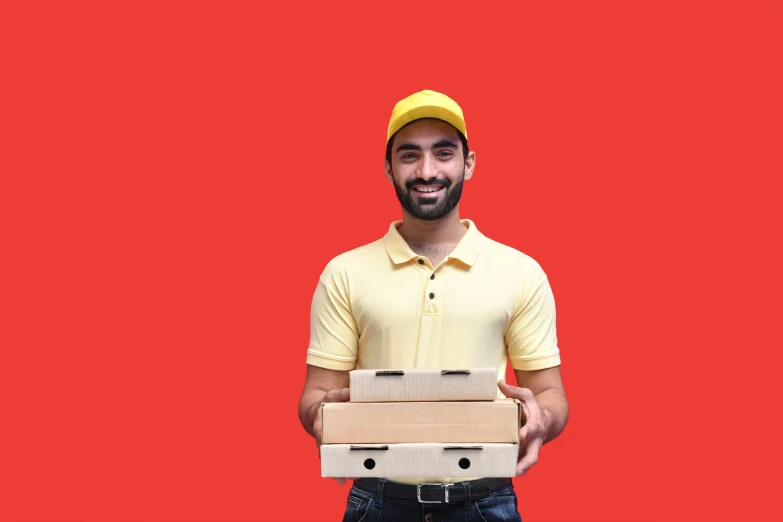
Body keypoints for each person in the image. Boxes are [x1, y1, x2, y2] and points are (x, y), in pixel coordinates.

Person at [297, 89, 569, 522]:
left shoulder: (520, 272)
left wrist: (542, 418)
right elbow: (315, 395)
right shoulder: (344, 272)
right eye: (409, 156)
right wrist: (322, 415)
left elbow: (550, 394)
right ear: (388, 168)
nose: (427, 171)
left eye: (443, 153)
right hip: (378, 500)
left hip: (485, 500)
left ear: (469, 163)